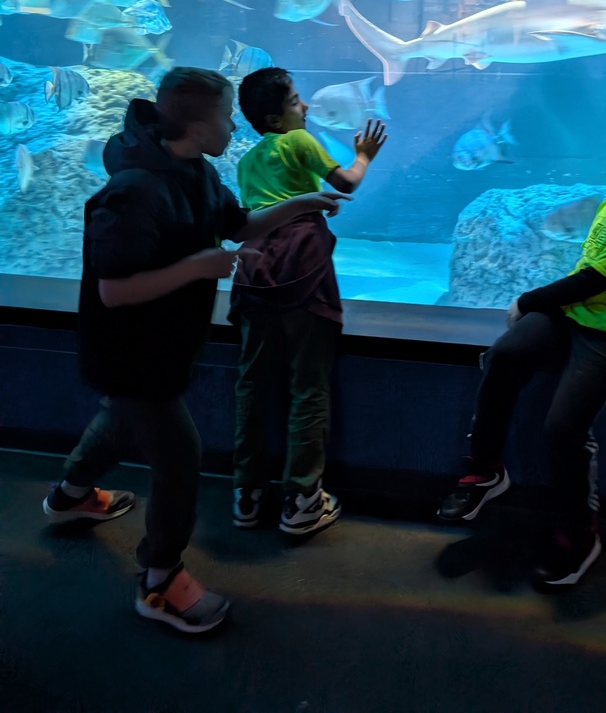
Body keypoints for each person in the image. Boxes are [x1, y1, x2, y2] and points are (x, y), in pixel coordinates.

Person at [42, 67, 346, 634]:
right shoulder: (135, 190)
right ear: (200, 126)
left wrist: (304, 203)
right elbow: (114, 289)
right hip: (131, 352)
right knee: (179, 458)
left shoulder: (196, 172)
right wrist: (198, 267)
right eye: (228, 116)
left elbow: (241, 225)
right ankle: (160, 581)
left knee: (118, 422)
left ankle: (70, 494)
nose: (235, 125)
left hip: (162, 347)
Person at [438, 111, 606, 588]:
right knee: (503, 356)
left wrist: (528, 300)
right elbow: (584, 276)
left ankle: (579, 534)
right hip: (577, 315)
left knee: (564, 428)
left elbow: (595, 279)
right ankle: (484, 471)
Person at [230, 67, 387, 537]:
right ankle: (301, 498)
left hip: (255, 276)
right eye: (297, 101)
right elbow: (347, 183)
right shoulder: (299, 141)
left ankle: (248, 492)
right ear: (275, 118)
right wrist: (363, 156)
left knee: (253, 385)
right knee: (307, 385)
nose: (306, 107)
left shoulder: (246, 161)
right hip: (302, 272)